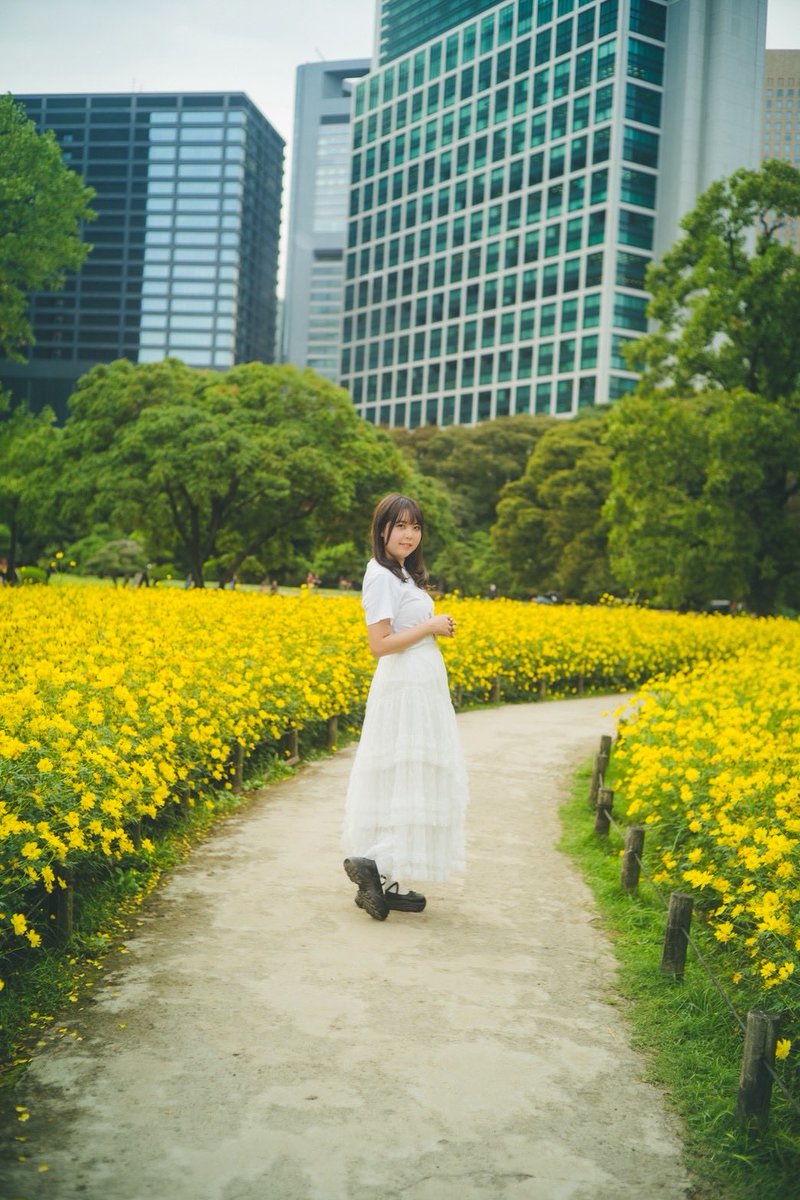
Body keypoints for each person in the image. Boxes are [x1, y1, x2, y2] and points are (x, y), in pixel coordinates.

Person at [343, 492, 469, 920]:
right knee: (408, 772)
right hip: (405, 686)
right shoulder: (380, 575)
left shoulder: (401, 575)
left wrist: (433, 626)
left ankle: (385, 879)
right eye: (400, 526)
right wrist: (430, 625)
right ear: (382, 530)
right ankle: (375, 863)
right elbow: (379, 644)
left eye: (415, 527)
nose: (409, 535)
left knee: (407, 777)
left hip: (419, 682)